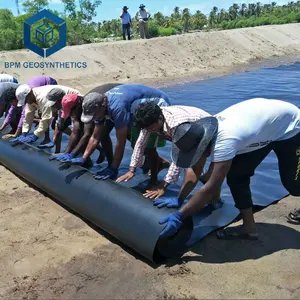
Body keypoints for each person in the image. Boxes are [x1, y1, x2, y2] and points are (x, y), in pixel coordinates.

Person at [154, 98, 300, 239]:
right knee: (237, 177)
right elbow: (199, 172)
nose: (196, 157)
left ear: (203, 147)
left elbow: (212, 186)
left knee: (293, 184)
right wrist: (180, 198)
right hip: (261, 129)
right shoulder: (202, 132)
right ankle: (249, 228)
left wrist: (180, 215)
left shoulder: (225, 142)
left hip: (290, 126)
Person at [67, 84, 171, 183]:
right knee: (137, 144)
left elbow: (120, 143)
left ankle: (154, 181)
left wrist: (113, 168)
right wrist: (83, 158)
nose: (94, 119)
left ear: (102, 107)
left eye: (94, 116)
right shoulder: (99, 109)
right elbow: (95, 137)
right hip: (135, 108)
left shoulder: (117, 109)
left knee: (149, 146)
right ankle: (159, 163)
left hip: (156, 104)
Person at [116, 102, 211, 199]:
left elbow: (178, 157)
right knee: (193, 168)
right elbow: (140, 144)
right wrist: (132, 170)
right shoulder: (149, 119)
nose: (149, 131)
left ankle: (190, 198)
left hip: (205, 129)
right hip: (189, 126)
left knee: (193, 168)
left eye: (151, 128)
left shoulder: (176, 126)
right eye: (147, 128)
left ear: (160, 119)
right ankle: (207, 183)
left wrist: (163, 185)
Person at [49, 84, 120, 166]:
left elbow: (87, 134)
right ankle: (89, 161)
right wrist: (66, 153)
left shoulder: (88, 108)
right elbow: (75, 132)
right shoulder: (76, 108)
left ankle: (111, 164)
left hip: (111, 101)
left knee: (102, 134)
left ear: (76, 107)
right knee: (83, 135)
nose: (71, 114)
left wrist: (73, 154)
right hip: (99, 101)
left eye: (71, 112)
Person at [11, 84, 81, 146]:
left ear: (30, 94)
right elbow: (28, 115)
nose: (26, 102)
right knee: (57, 125)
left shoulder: (42, 98)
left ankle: (77, 141)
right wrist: (24, 132)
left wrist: (35, 135)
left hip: (72, 100)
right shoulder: (30, 98)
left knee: (62, 125)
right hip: (58, 102)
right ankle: (76, 138)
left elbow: (46, 119)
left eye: (26, 100)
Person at [1, 76, 58, 142]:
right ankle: (38, 123)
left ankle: (47, 139)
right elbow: (11, 113)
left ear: (15, 99)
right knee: (30, 111)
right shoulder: (18, 97)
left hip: (49, 82)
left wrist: (16, 134)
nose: (11, 104)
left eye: (11, 102)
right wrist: (1, 128)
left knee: (43, 113)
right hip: (35, 85)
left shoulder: (27, 97)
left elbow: (24, 116)